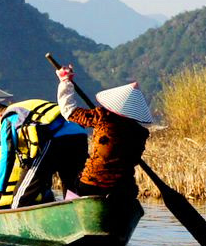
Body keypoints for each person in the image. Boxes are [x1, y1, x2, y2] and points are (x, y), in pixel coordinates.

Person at [56, 64, 153, 199]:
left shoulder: (103, 117)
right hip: (124, 188)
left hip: (92, 184)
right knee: (128, 188)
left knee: (72, 183)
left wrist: (65, 81)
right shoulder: (140, 133)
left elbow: (69, 111)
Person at [0, 97, 88, 209]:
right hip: (80, 136)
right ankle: (77, 214)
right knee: (71, 188)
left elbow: (7, 154)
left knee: (20, 200)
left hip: (54, 140)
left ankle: (16, 222)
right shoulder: (27, 108)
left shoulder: (8, 119)